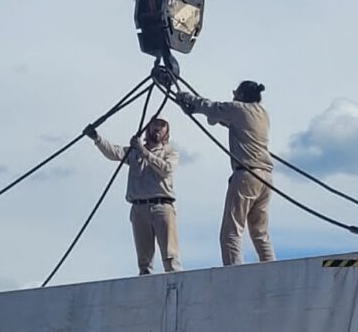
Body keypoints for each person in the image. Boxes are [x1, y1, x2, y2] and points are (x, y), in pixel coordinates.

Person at [178, 80, 275, 266]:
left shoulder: (238, 108)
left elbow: (211, 107)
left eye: (235, 93)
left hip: (247, 174)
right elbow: (223, 120)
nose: (233, 96)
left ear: (241, 95)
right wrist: (193, 109)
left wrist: (185, 97)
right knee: (260, 232)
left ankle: (234, 273)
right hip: (266, 177)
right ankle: (272, 269)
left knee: (231, 231)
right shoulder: (262, 113)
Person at [84, 117, 181, 275]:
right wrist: (97, 138)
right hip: (139, 208)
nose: (158, 128)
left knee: (170, 258)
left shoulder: (170, 152)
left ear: (166, 132)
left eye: (162, 126)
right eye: (155, 124)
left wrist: (143, 151)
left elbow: (166, 169)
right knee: (144, 262)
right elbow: (114, 152)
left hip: (162, 206)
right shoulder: (134, 151)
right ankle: (145, 293)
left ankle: (177, 288)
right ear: (148, 128)